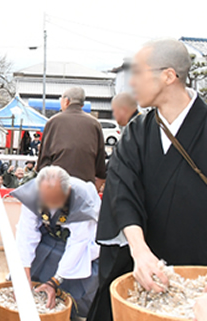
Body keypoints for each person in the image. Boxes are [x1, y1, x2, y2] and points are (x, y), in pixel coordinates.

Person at [88, 39, 207, 321]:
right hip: (140, 267)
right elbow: (121, 191)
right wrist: (139, 251)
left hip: (197, 275)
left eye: (139, 73)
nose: (132, 83)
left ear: (168, 76)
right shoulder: (136, 132)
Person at [12, 166, 100, 320]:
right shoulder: (33, 193)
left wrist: (54, 281)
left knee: (75, 277)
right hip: (50, 232)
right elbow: (26, 233)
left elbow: (79, 243)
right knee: (31, 270)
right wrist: (24, 274)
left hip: (84, 239)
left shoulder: (83, 199)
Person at [37, 87, 106, 190]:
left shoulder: (53, 122)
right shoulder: (95, 124)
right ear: (82, 104)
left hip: (57, 186)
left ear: (66, 101)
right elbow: (100, 164)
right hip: (86, 186)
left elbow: (43, 161)